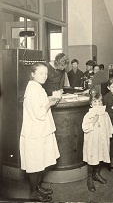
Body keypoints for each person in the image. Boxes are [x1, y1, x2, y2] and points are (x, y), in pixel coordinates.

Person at [20, 62, 60, 202]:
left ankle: (37, 187)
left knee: (40, 161)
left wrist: (49, 99)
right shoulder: (32, 89)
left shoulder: (37, 87)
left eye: (46, 73)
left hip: (40, 131)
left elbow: (39, 104)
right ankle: (33, 193)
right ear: (32, 74)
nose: (44, 76)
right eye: (40, 73)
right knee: (35, 164)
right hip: (34, 133)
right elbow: (38, 113)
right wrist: (51, 103)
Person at [82, 92, 113, 192]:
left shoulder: (105, 114)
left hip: (102, 140)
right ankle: (89, 178)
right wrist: (93, 121)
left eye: (99, 102)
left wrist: (109, 136)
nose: (98, 104)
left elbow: (108, 126)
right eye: (95, 102)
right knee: (92, 158)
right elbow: (85, 128)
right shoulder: (88, 115)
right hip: (92, 141)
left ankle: (96, 174)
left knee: (100, 156)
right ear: (91, 104)